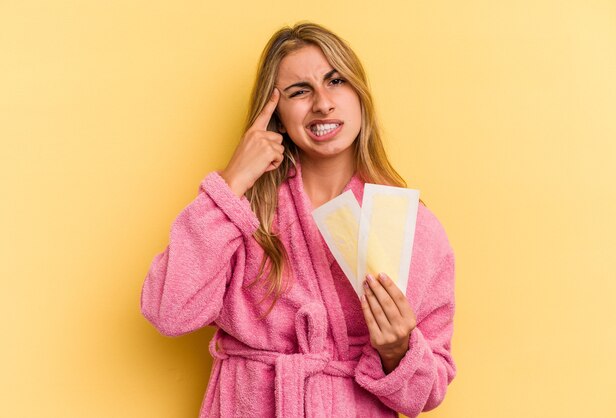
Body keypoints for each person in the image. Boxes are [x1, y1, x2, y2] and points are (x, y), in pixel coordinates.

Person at [140, 21, 456, 418]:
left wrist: (397, 351)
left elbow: (428, 392)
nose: (322, 103)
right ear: (276, 115)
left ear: (360, 95)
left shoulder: (413, 229)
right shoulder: (239, 213)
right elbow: (169, 311)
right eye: (299, 91)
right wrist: (232, 182)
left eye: (336, 81)